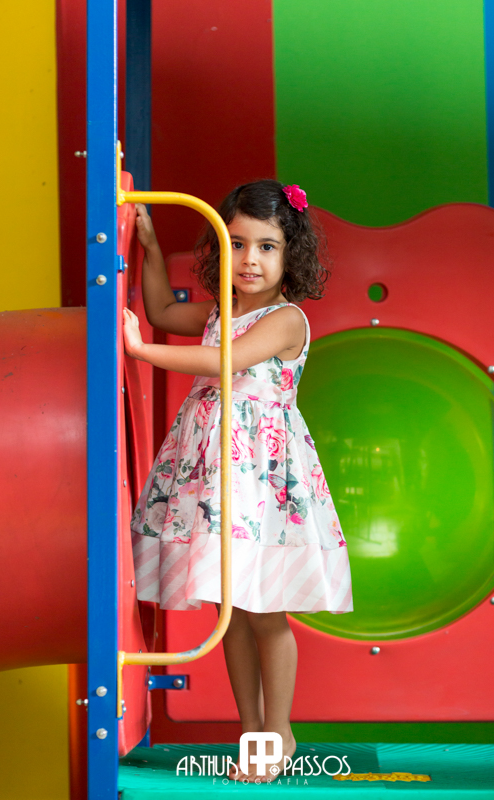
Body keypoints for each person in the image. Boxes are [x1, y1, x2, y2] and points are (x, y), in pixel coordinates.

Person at [123, 179, 353, 782]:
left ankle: (278, 732)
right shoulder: (222, 311)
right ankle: (251, 730)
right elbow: (162, 311)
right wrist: (151, 249)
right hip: (216, 478)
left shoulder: (287, 320)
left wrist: (143, 353)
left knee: (265, 610)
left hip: (259, 480)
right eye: (238, 244)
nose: (250, 259)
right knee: (232, 609)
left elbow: (221, 361)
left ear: (290, 254)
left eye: (267, 247)